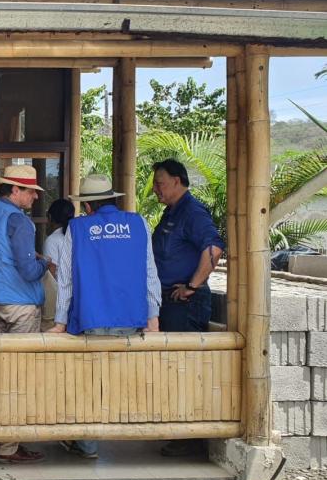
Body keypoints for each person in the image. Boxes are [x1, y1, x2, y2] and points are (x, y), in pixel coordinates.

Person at [48, 175, 161, 459]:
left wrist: (61, 320)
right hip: (130, 319)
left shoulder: (77, 228)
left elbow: (66, 279)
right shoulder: (139, 224)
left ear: (87, 206)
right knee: (118, 378)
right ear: (113, 199)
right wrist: (153, 317)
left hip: (89, 319)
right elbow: (150, 272)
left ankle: (87, 443)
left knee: (85, 381)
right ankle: (122, 436)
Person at [151, 158, 225, 457]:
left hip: (186, 302)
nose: (156, 188)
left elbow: (214, 248)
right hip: (169, 299)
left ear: (178, 181)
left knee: (185, 367)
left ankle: (191, 436)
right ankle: (178, 430)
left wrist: (192, 286)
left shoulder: (192, 212)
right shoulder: (171, 212)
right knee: (172, 366)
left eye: (161, 183)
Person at [0, 165, 49, 464]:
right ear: (15, 190)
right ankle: (8, 446)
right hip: (21, 304)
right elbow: (28, 269)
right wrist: (45, 263)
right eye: (30, 190)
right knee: (18, 378)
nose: (34, 196)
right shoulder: (19, 221)